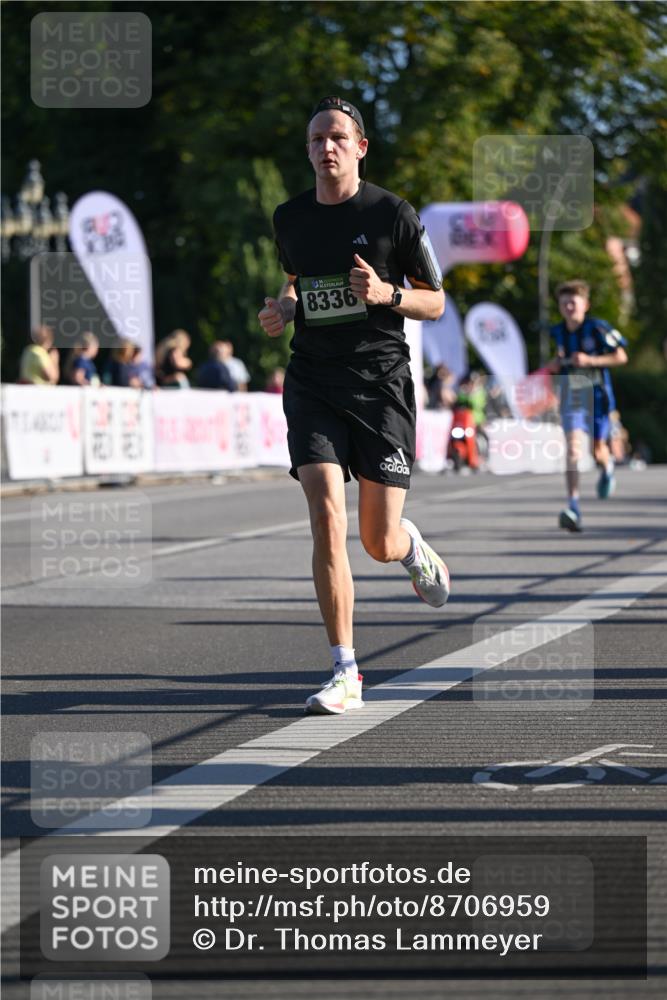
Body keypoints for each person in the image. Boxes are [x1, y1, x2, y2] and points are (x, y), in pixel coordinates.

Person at [258, 95, 449, 716]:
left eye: (337, 137)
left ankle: (408, 546)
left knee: (376, 540)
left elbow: (436, 301)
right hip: (312, 379)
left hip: (380, 384)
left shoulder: (393, 214)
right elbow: (295, 280)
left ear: (360, 147)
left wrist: (387, 293)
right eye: (316, 139)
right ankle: (346, 671)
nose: (326, 148)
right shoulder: (290, 217)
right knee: (324, 514)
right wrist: (284, 308)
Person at [547, 279, 628, 532]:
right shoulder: (558, 332)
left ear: (585, 305)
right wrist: (555, 365)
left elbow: (621, 356)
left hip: (598, 397)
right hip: (573, 397)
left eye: (573, 302)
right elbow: (558, 360)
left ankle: (607, 468)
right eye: (564, 303)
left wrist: (590, 361)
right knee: (572, 449)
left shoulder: (598, 328)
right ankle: (573, 507)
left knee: (597, 450)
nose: (569, 307)